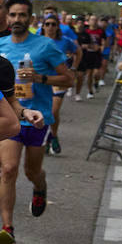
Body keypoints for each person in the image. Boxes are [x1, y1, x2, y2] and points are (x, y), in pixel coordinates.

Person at [0, 0, 73, 244]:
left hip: (39, 118)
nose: (17, 20)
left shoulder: (45, 46)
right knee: (8, 169)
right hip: (11, 117)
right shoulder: (0, 46)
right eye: (13, 15)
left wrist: (40, 79)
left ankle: (40, 187)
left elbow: (69, 78)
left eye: (22, 15)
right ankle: (8, 228)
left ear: (31, 18)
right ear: (7, 17)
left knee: (32, 171)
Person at [41, 14, 78, 153]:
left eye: (53, 24)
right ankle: (46, 137)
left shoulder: (65, 41)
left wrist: (73, 68)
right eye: (47, 24)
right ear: (43, 26)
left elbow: (78, 52)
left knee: (53, 111)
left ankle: (53, 136)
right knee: (43, 112)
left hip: (58, 81)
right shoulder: (37, 41)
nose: (50, 27)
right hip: (41, 82)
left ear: (58, 27)